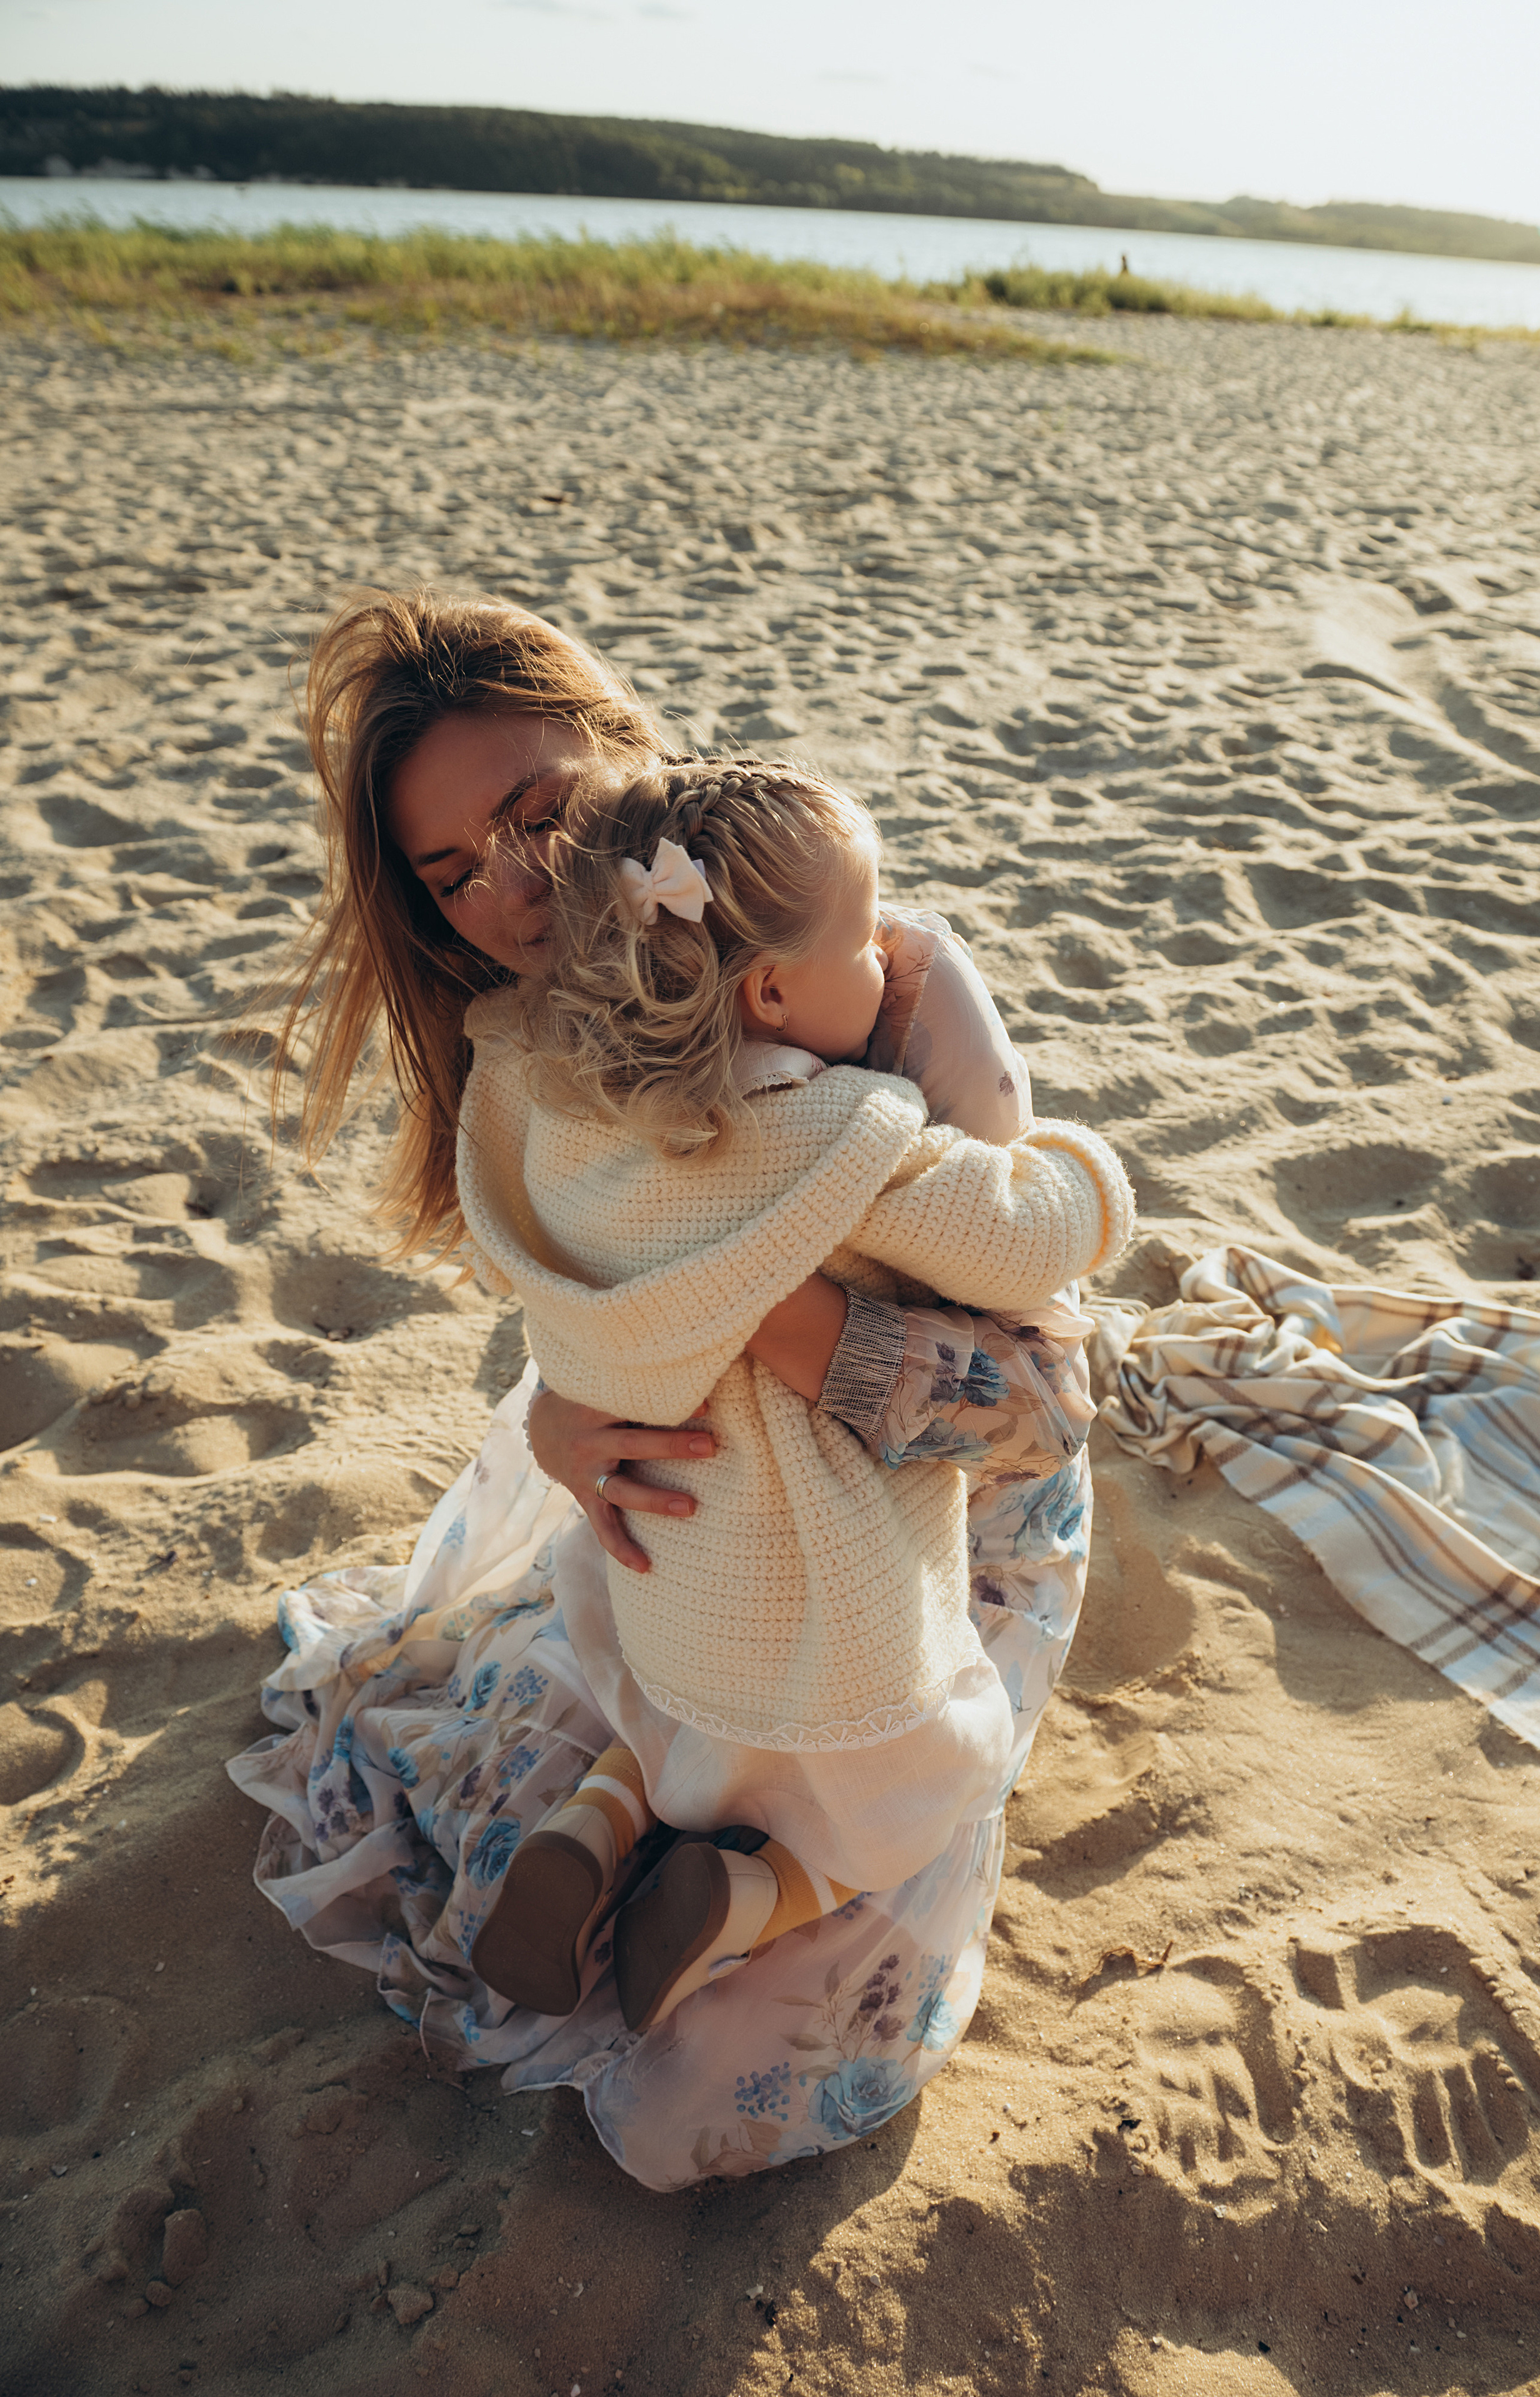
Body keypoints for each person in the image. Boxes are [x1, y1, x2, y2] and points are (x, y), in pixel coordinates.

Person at [228, 586, 1134, 2189]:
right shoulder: (532, 1050)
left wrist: (791, 1329)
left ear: (622, 754)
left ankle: (659, 1830)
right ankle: (636, 1822)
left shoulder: (854, 970)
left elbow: (1052, 1403)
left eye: (534, 813)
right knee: (515, 1779)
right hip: (686, 1501)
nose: (510, 886)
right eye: (454, 872)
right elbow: (585, 1289)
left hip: (933, 1509)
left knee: (714, 2065)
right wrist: (567, 1420)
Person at [455, 754, 1124, 2034]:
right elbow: (1030, 1232)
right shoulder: (837, 1135)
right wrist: (1080, 1167)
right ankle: (748, 1895)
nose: (885, 951)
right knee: (908, 1794)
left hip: (662, 1564)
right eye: (864, 937)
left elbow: (499, 1229)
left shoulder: (563, 1117)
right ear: (769, 988)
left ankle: (596, 1824)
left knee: (675, 1723)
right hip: (824, 1598)